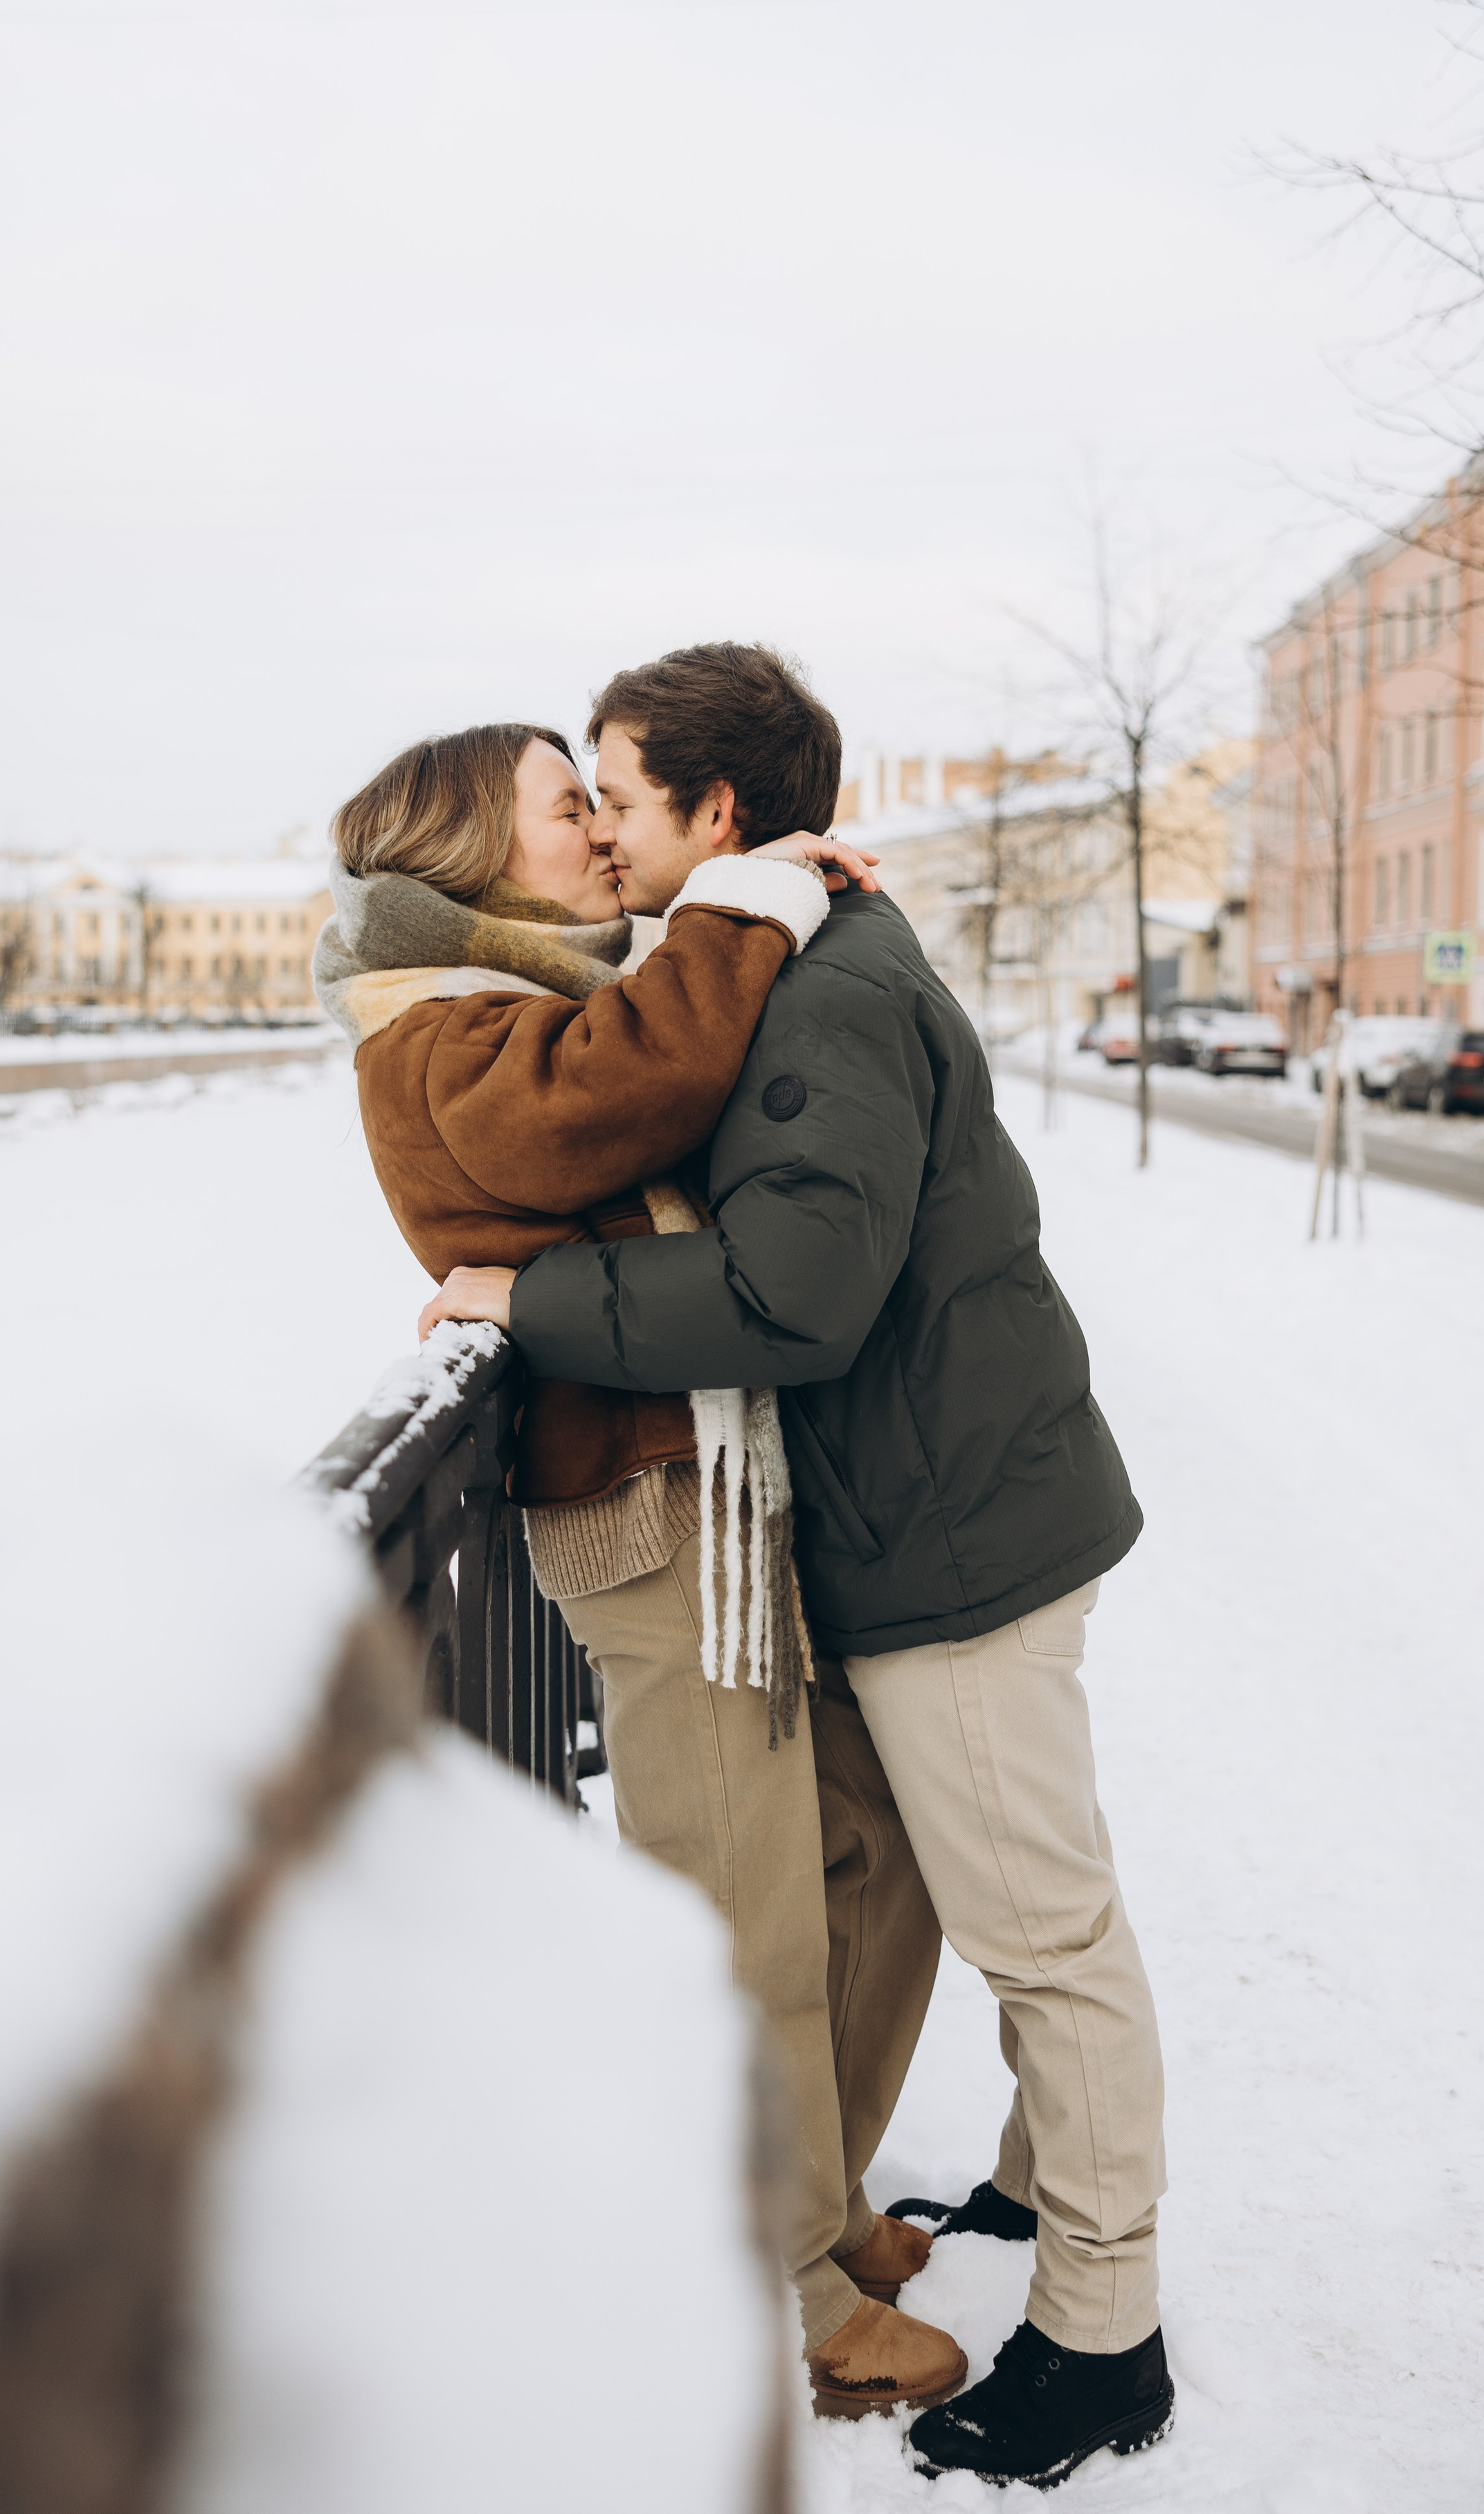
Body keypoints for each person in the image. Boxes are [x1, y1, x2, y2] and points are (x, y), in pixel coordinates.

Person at [424, 643, 1175, 2489]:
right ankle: (1000, 2195)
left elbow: (794, 1297)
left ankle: (1108, 2332)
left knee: (1045, 1934)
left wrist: (531, 1297)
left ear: (718, 813)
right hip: (938, 1506)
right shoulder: (794, 951)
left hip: (956, 1538)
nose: (598, 824)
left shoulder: (824, 998)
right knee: (974, 1900)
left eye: (618, 792)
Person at [314, 715, 964, 2417]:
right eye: (564, 809)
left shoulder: (530, 993)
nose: (602, 836)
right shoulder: (433, 1032)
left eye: (605, 808)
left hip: (721, 1494)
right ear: (467, 850)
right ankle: (795, 2291)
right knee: (741, 1905)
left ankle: (807, 2201)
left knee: (867, 1845)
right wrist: (745, 902)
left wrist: (725, 915)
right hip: (637, 1516)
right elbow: (634, 1087)